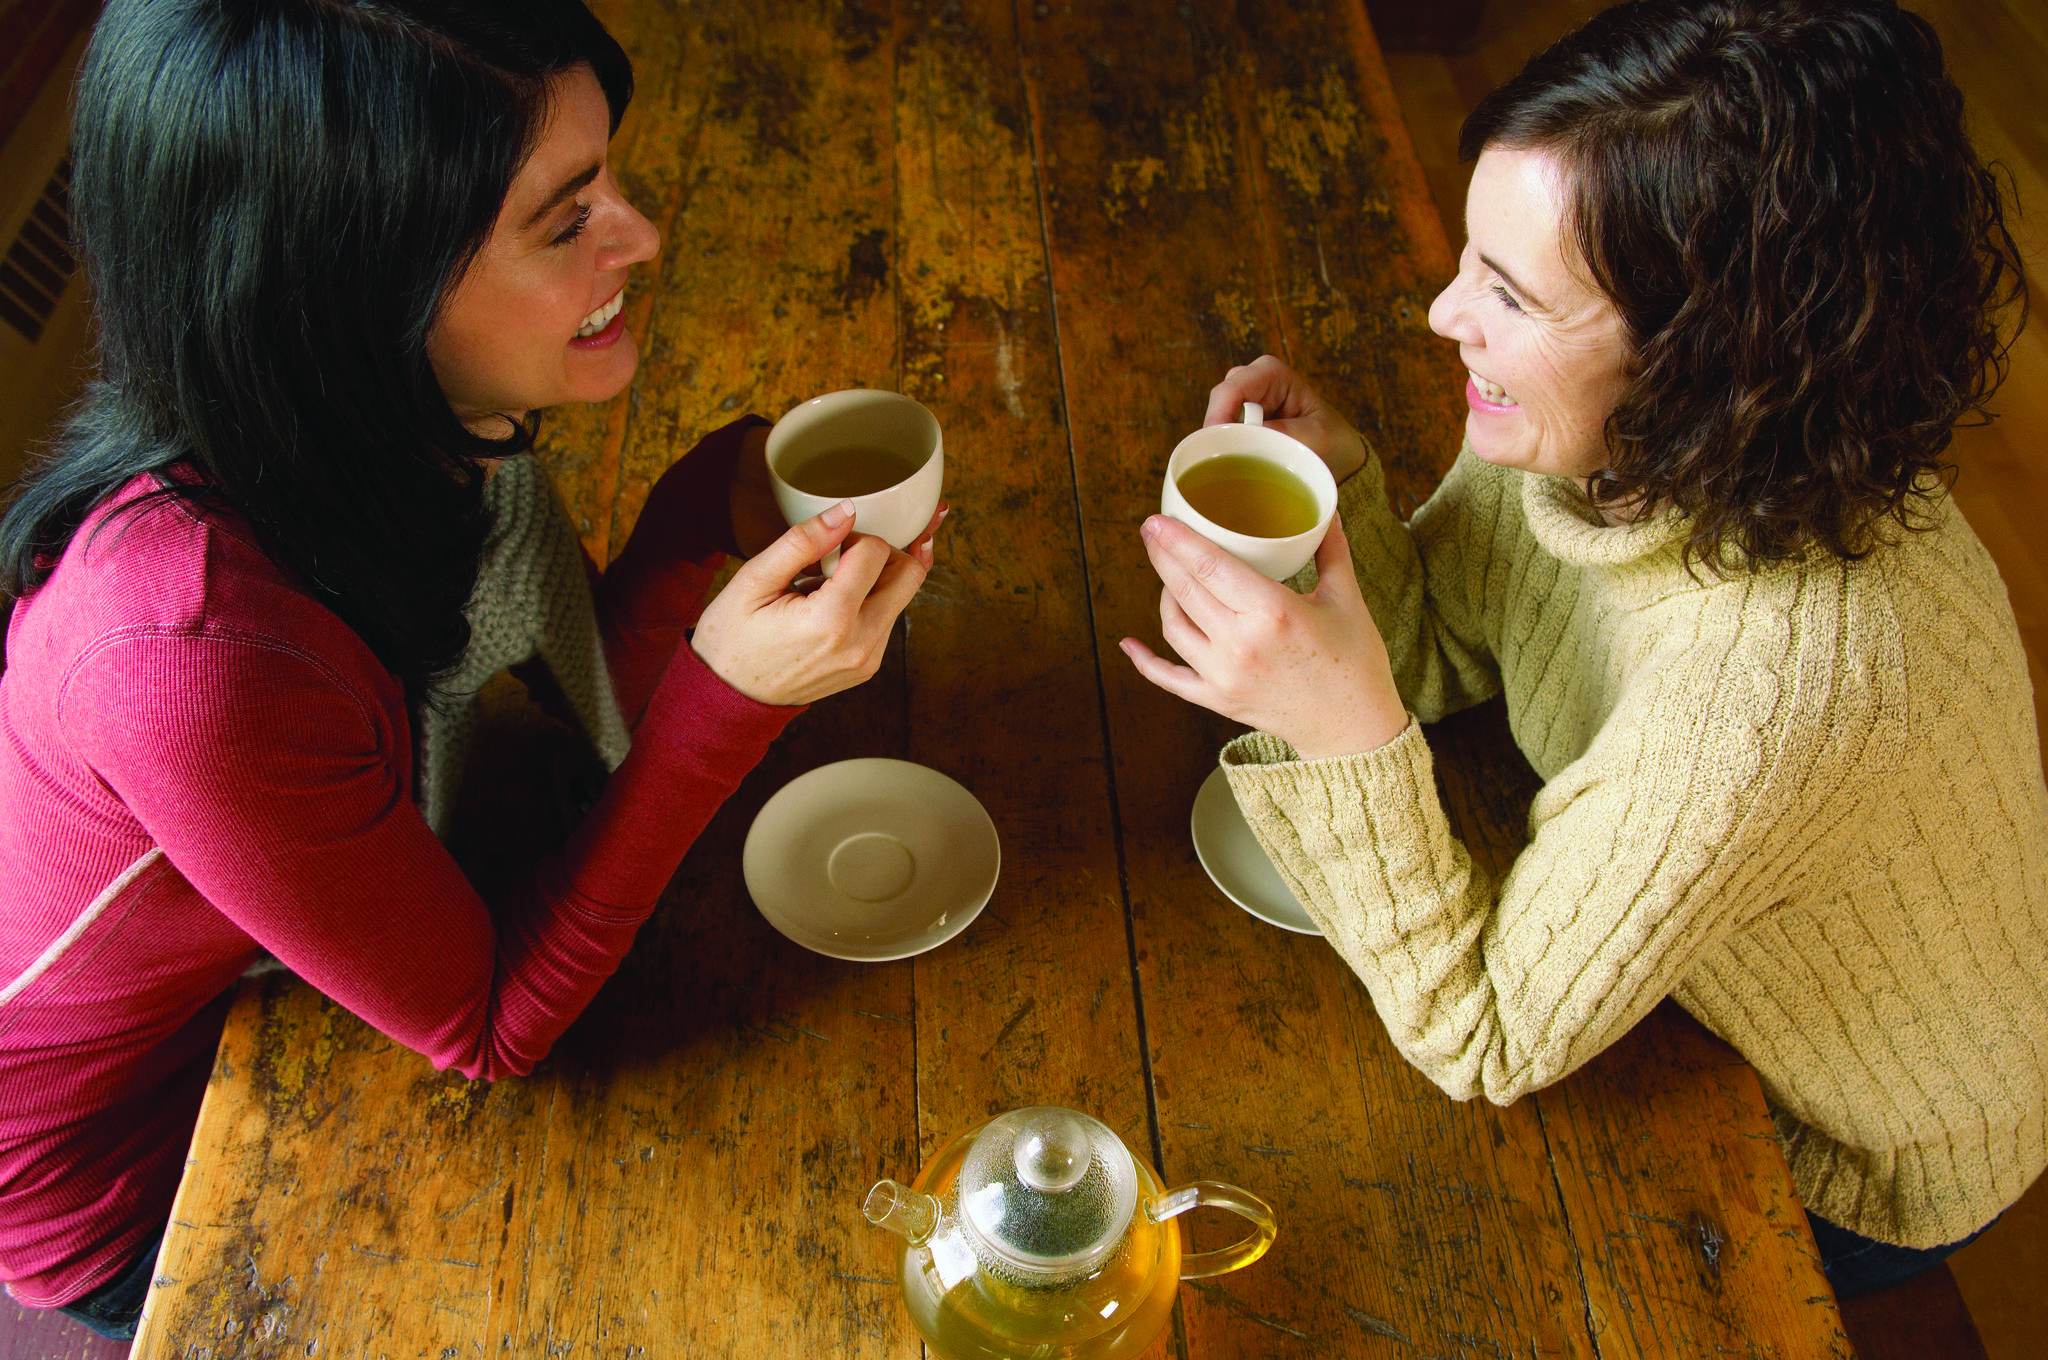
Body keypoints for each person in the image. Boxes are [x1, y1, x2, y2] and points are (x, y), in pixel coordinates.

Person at [0, 0, 939, 1339]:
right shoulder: (193, 657)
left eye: (608, 175)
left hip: (304, 937)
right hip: (134, 1165)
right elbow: (492, 1028)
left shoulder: (408, 417)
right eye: (566, 220)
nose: (643, 236)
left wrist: (699, 520)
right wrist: (728, 702)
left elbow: (558, 695)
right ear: (348, 295)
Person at [1124, 0, 2047, 1301]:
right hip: (1704, 965)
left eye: (1508, 294)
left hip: (1849, 1150)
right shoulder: (1634, 438)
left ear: (1706, 359)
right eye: (1471, 261)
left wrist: (1343, 737)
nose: (1447, 316)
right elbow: (1448, 640)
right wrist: (1345, 496)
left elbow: (1485, 1041)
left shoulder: (1773, 689)